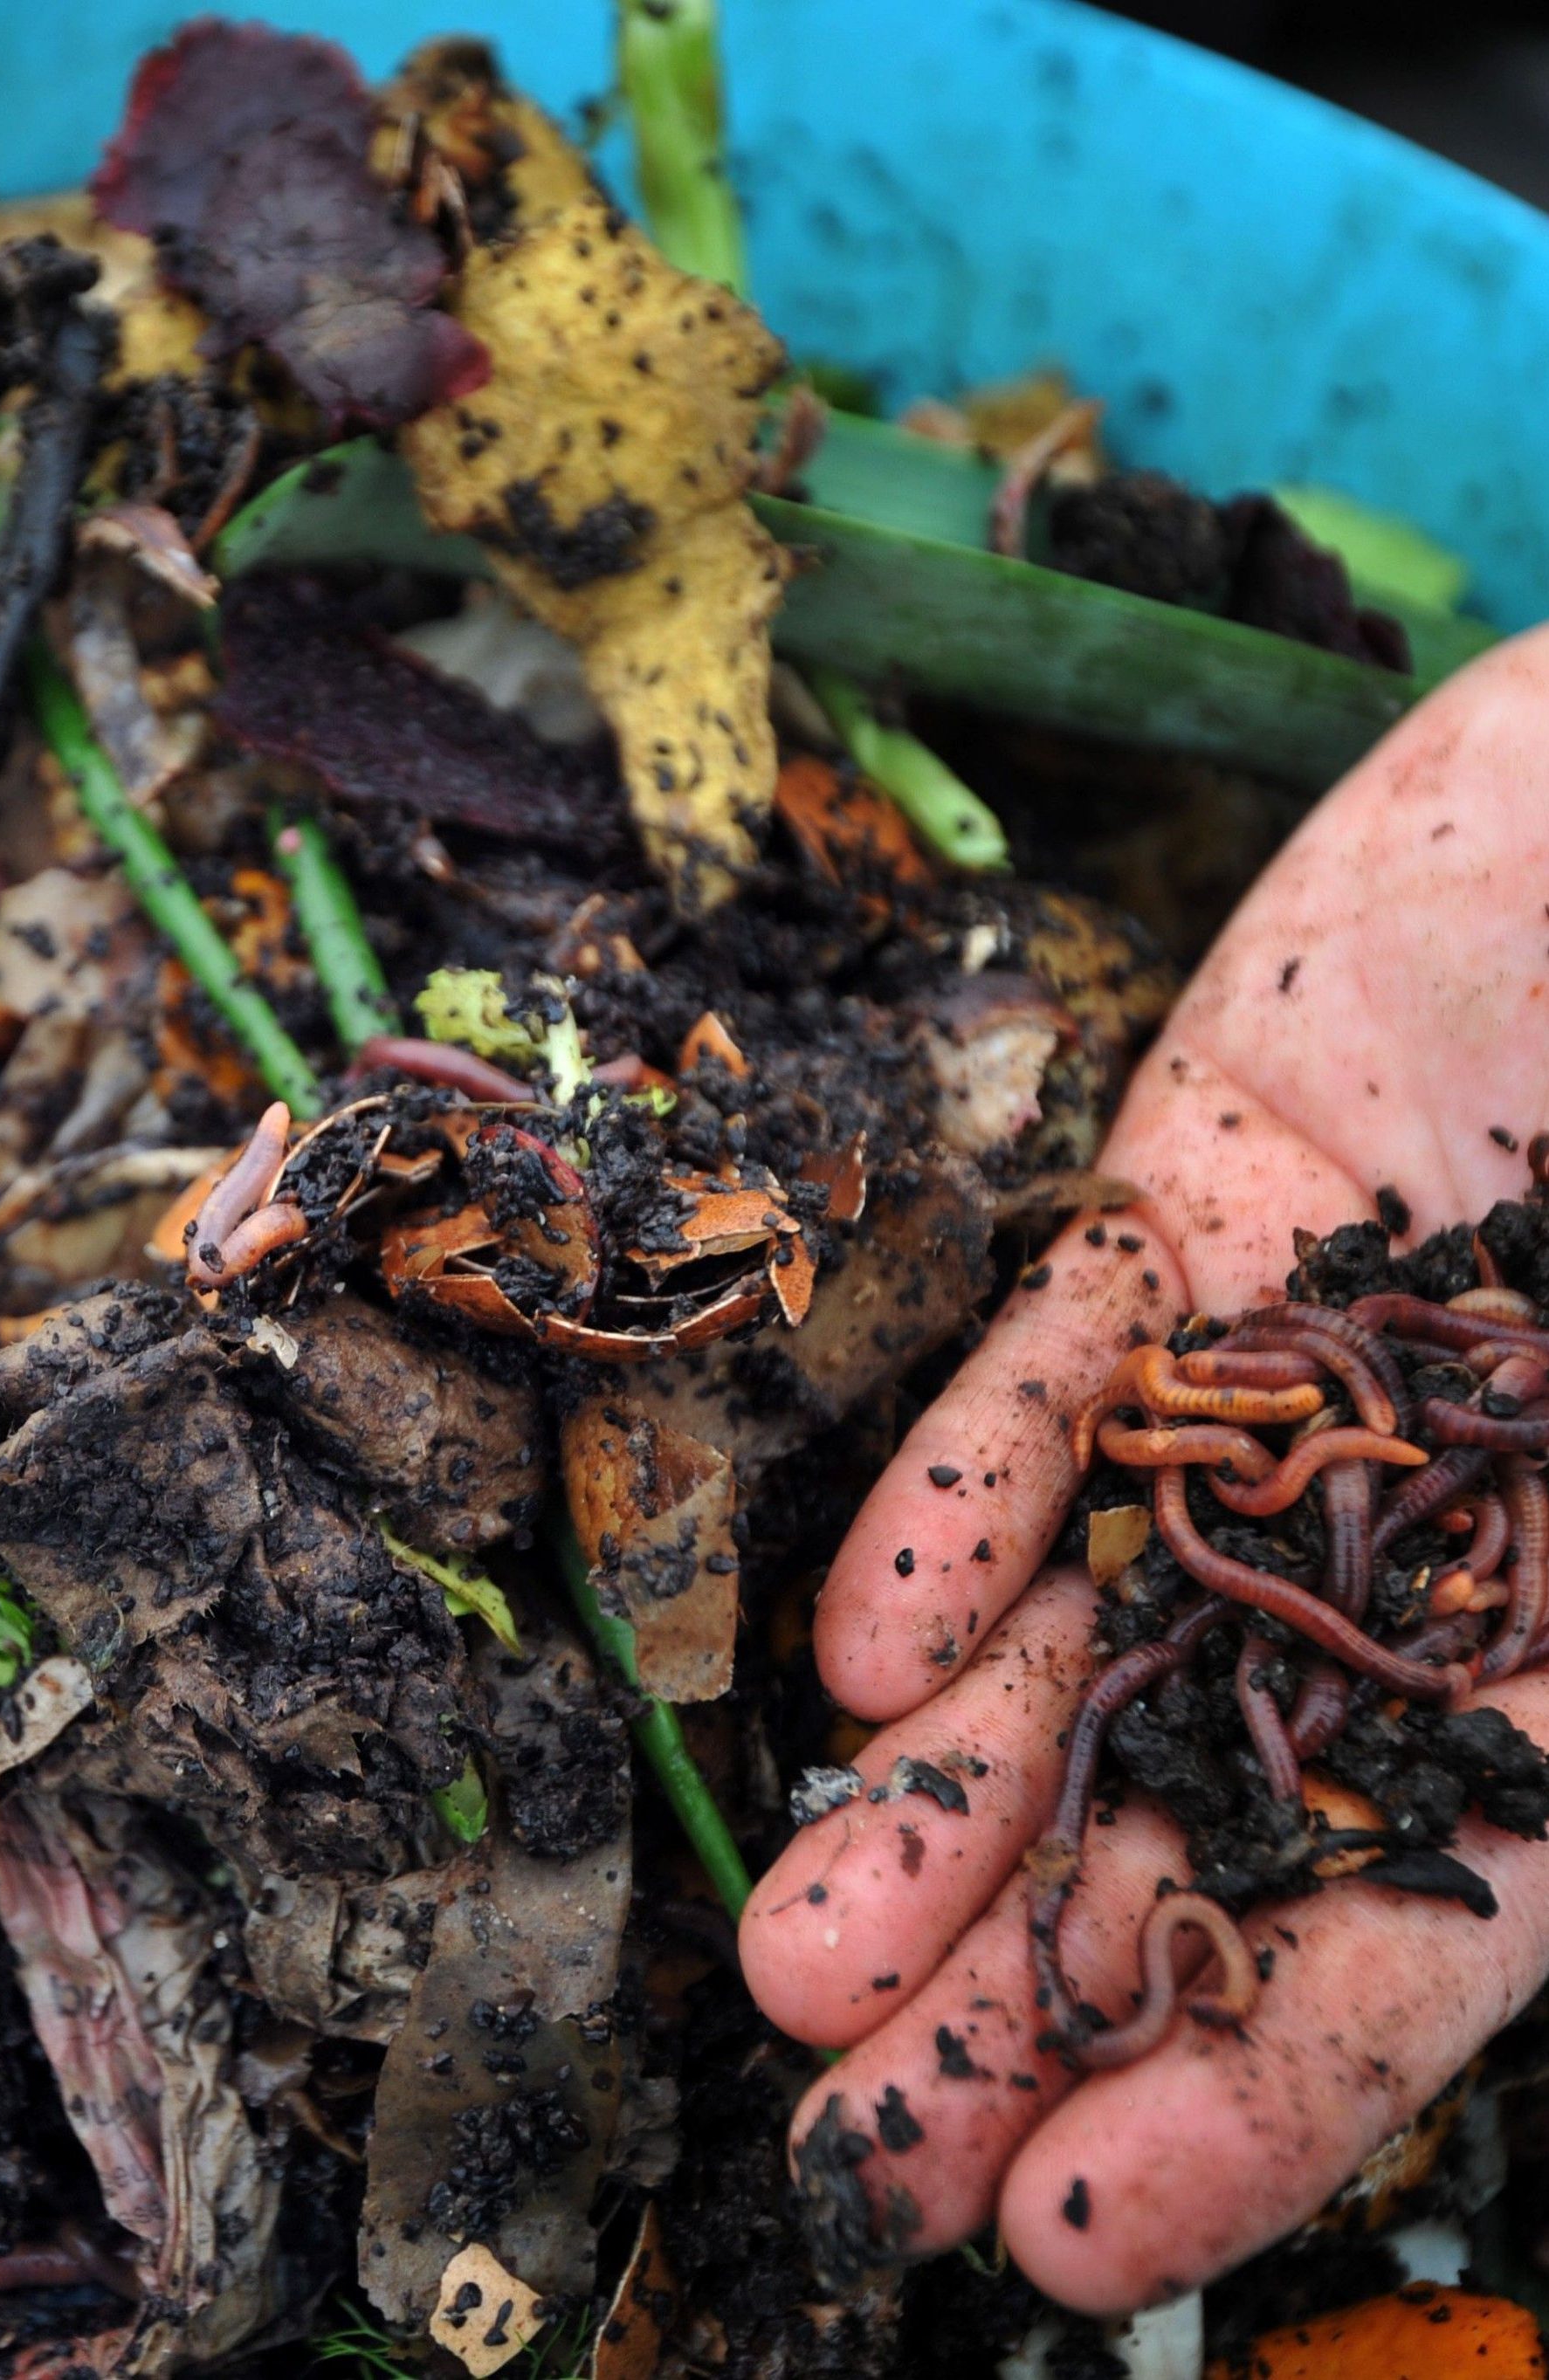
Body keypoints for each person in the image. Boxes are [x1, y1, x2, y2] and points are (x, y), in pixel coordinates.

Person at [739, 628, 1549, 2313]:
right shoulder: (1273, 1434)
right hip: (1308, 1511)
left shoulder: (1401, 1457)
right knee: (1147, 1643)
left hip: (1342, 1523)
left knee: (1237, 1624)